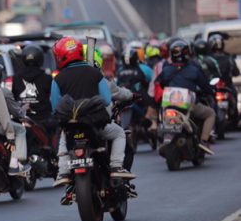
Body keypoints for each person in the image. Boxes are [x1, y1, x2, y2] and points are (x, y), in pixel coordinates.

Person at [51, 37, 135, 191]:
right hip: (96, 124)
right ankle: (116, 166)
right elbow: (107, 99)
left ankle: (62, 172)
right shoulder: (95, 73)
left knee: (63, 139)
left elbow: (55, 107)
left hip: (71, 126)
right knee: (119, 133)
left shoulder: (58, 79)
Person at [155, 38, 216, 155]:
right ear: (187, 53)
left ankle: (164, 138)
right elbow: (205, 86)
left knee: (161, 117)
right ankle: (204, 141)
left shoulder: (166, 70)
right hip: (188, 105)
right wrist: (211, 91)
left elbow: (162, 84)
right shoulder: (194, 70)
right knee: (210, 113)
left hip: (169, 105)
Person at [12, 44, 53, 123]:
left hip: (23, 119)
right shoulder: (47, 78)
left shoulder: (17, 78)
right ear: (40, 59)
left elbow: (15, 98)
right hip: (43, 119)